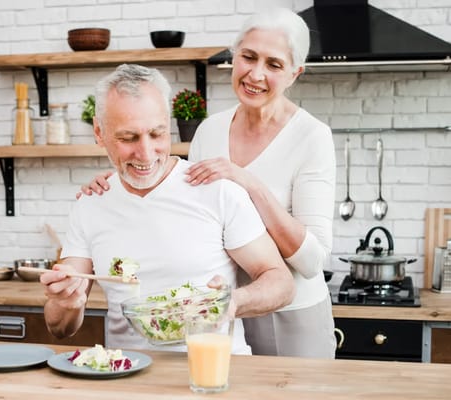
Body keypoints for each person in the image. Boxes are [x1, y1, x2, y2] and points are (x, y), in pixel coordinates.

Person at [78, 8, 337, 358]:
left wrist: (249, 183)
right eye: (248, 57)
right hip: (221, 313)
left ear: (294, 73)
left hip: (289, 312)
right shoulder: (210, 129)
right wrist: (114, 179)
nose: (256, 74)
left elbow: (312, 259)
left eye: (273, 65)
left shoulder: (312, 137)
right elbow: (179, 193)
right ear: (234, 57)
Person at [40, 63, 295, 355]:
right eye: (128, 138)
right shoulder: (90, 205)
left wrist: (233, 302)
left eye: (157, 134)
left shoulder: (216, 190)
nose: (146, 154)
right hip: (129, 377)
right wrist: (65, 303)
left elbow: (281, 283)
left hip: (213, 375)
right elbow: (60, 327)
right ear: (99, 132)